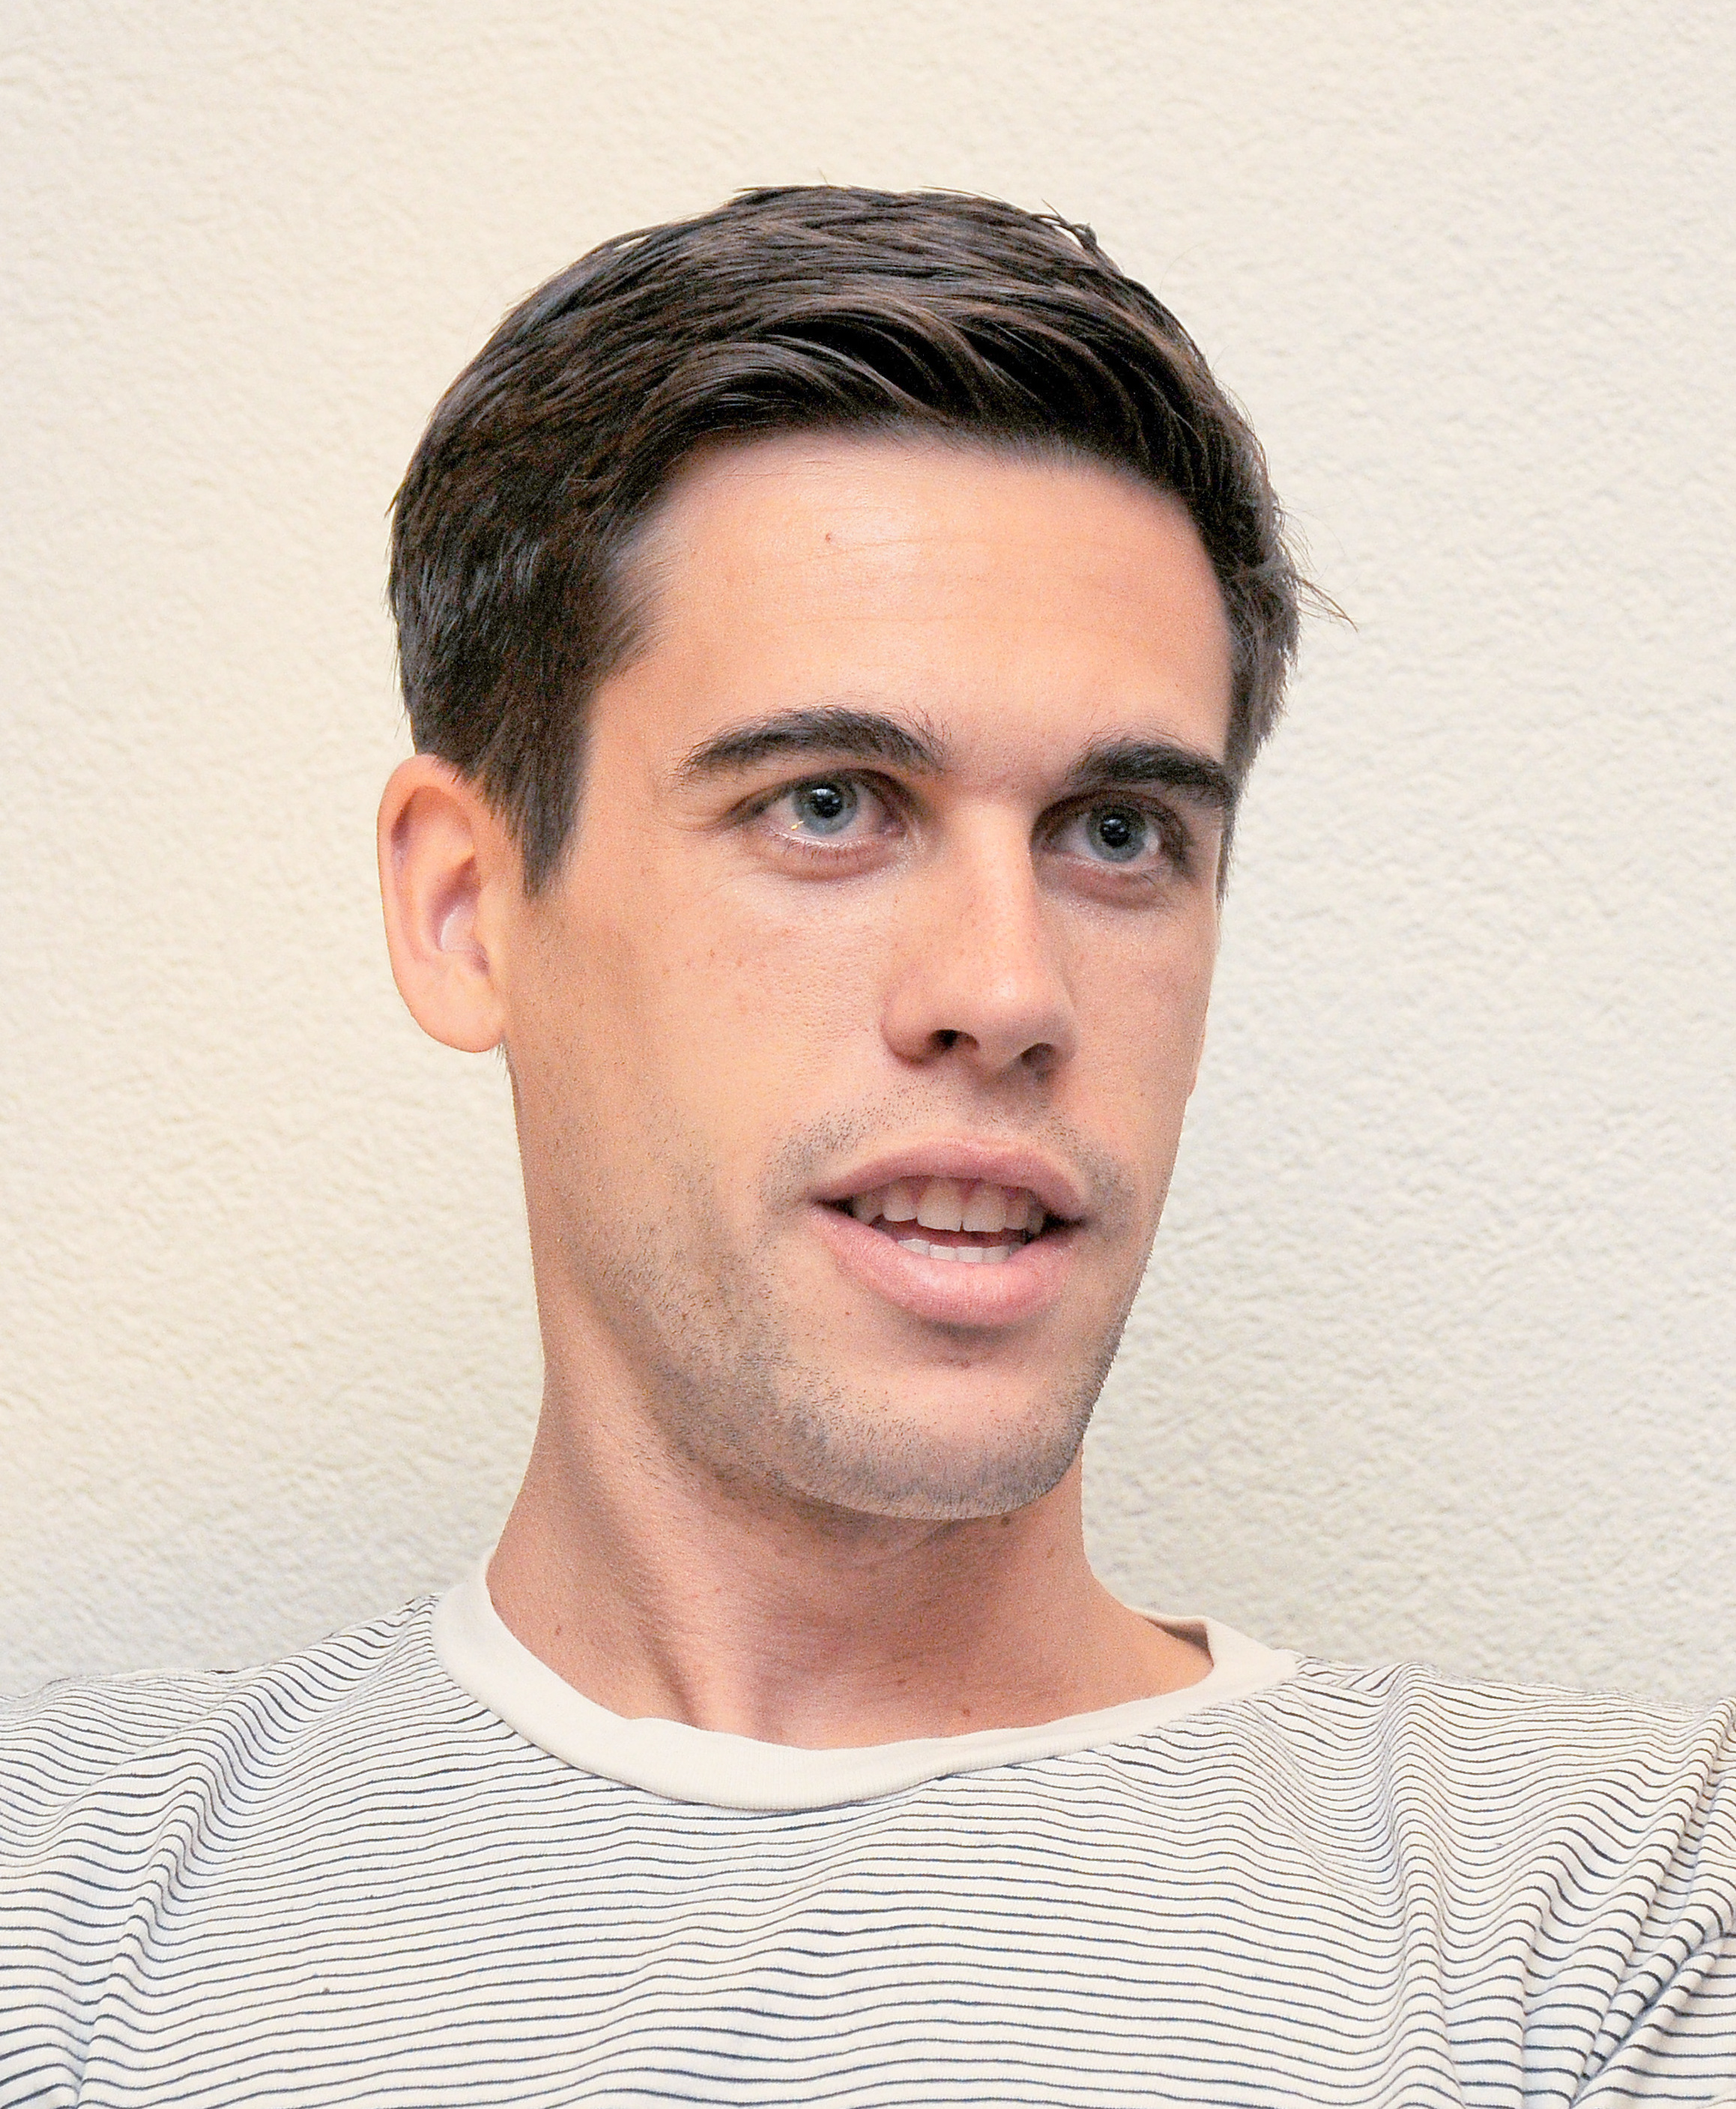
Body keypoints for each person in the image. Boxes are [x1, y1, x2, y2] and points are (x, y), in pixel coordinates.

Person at [3, 185, 1732, 2108]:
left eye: (1117, 833)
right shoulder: (58, 1906)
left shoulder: (1612, 1921)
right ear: (467, 907)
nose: (1006, 988)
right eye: (828, 803)